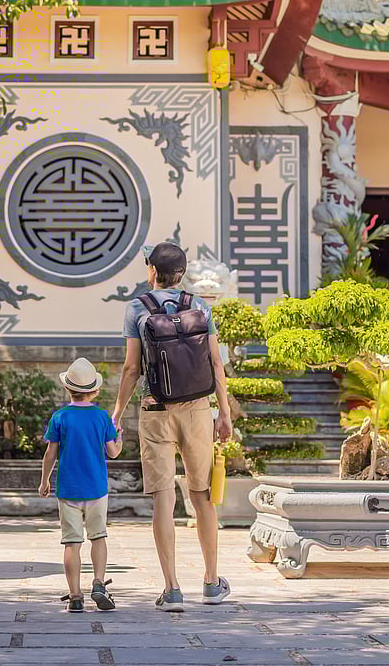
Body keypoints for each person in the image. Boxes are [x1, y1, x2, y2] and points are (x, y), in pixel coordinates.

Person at [111, 242, 233, 613]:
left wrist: (116, 415)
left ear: (152, 271)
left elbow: (132, 369)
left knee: (164, 497)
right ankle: (211, 583)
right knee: (202, 496)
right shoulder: (200, 306)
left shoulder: (137, 308)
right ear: (182, 273)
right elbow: (215, 363)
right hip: (198, 410)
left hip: (156, 410)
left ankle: (172, 589)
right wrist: (223, 413)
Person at [39, 358, 124, 613]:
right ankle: (98, 583)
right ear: (95, 390)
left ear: (68, 389)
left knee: (72, 543)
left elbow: (50, 454)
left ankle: (75, 596)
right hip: (96, 489)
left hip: (67, 490)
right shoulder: (101, 417)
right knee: (98, 537)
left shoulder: (60, 417)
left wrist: (44, 480)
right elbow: (113, 452)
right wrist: (118, 437)